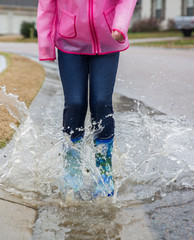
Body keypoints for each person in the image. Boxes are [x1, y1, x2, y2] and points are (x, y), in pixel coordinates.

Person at [37, 0, 137, 197]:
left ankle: (104, 172)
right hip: (69, 42)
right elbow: (46, 6)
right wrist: (46, 46)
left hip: (108, 40)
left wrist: (120, 25)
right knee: (75, 104)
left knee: (101, 103)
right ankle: (72, 170)